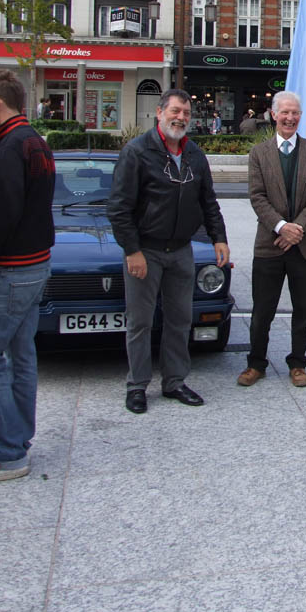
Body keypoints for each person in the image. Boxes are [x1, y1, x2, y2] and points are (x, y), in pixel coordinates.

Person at [107, 89, 230, 414]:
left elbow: (208, 201)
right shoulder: (137, 152)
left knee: (179, 319)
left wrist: (219, 237)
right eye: (176, 111)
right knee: (140, 322)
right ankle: (137, 386)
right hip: (145, 250)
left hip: (180, 251)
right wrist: (131, 250)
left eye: (187, 113)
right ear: (159, 113)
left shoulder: (195, 155)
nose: (181, 118)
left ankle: (174, 381)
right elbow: (119, 208)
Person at [0, 70, 54, 484]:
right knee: (22, 356)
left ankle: (8, 454)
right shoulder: (37, 141)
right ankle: (19, 440)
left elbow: (2, 213)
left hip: (10, 269)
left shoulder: (11, 145)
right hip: (35, 264)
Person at [237, 91, 306, 389]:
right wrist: (280, 227)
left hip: (305, 242)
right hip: (270, 244)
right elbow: (257, 196)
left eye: (295, 113)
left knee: (303, 309)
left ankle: (298, 363)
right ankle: (256, 363)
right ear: (273, 115)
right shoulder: (258, 154)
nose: (290, 118)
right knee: (262, 310)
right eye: (285, 112)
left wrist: (296, 228)